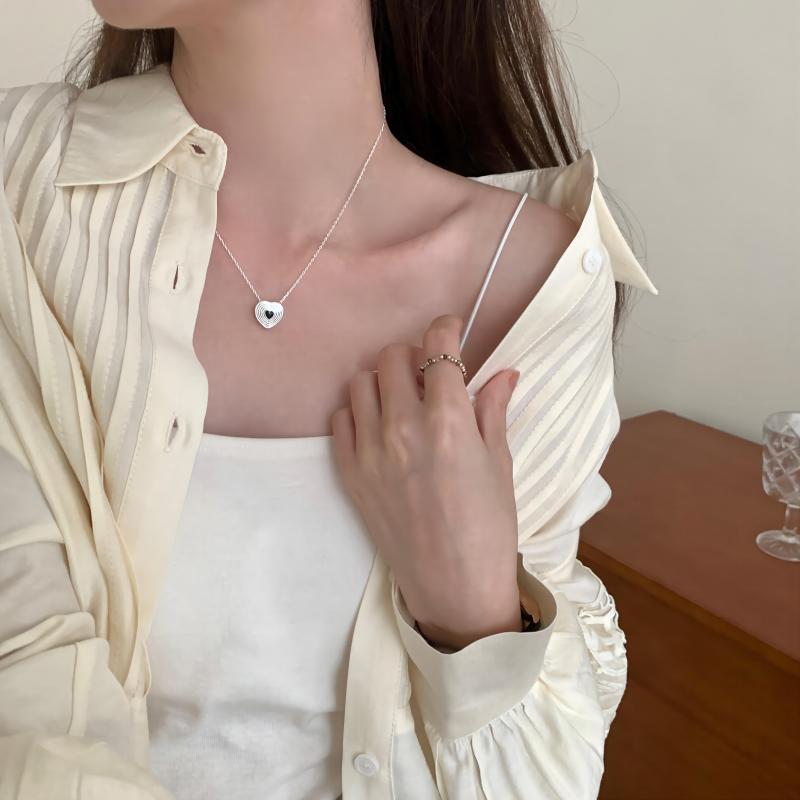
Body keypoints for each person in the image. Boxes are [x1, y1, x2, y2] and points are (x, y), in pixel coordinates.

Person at [0, 1, 658, 798]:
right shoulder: (21, 198)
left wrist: (474, 618)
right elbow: (24, 688)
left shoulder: (529, 285)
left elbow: (545, 779)